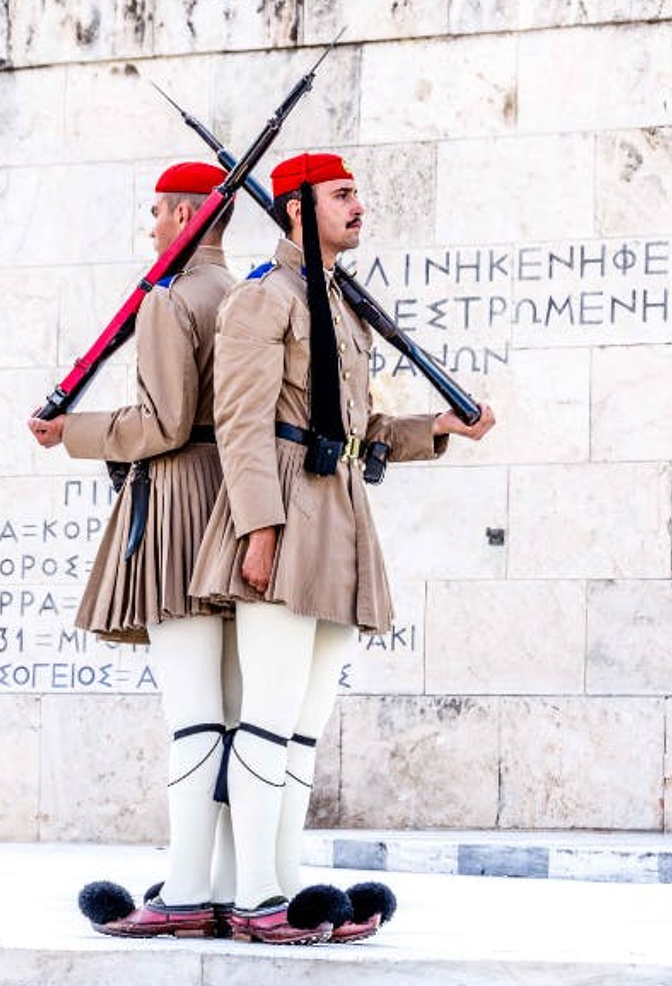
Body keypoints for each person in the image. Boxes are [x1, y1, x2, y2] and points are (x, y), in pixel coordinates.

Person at [188, 151, 495, 944]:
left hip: (340, 516)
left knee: (302, 724)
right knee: (266, 716)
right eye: (341, 195)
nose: (359, 206)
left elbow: (352, 426)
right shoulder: (264, 298)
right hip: (285, 514)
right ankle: (250, 895)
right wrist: (259, 529)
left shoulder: (343, 304)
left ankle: (287, 883)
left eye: (358, 193)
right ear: (296, 208)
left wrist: (435, 429)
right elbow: (244, 425)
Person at [33, 162, 243, 937]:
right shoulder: (243, 292)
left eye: (159, 213)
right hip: (236, 502)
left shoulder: (169, 300)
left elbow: (162, 423)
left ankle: (183, 892)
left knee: (194, 716)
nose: (151, 227)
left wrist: (73, 434)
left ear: (187, 215)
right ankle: (227, 885)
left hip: (181, 504)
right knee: (235, 716)